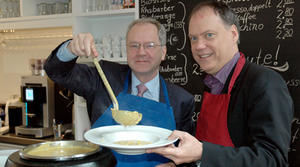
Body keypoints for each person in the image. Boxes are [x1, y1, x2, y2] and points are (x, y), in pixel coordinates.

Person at [146, 1, 294, 167]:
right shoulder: (211, 84)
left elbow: (273, 160)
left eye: (209, 35)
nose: (199, 46)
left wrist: (202, 153)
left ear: (233, 34)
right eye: (193, 38)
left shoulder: (265, 83)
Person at [44, 18, 195, 167]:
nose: (141, 52)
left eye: (149, 45)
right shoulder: (103, 78)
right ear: (127, 50)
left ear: (163, 52)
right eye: (134, 45)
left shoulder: (181, 100)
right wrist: (70, 48)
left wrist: (174, 165)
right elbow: (56, 71)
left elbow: (189, 154)